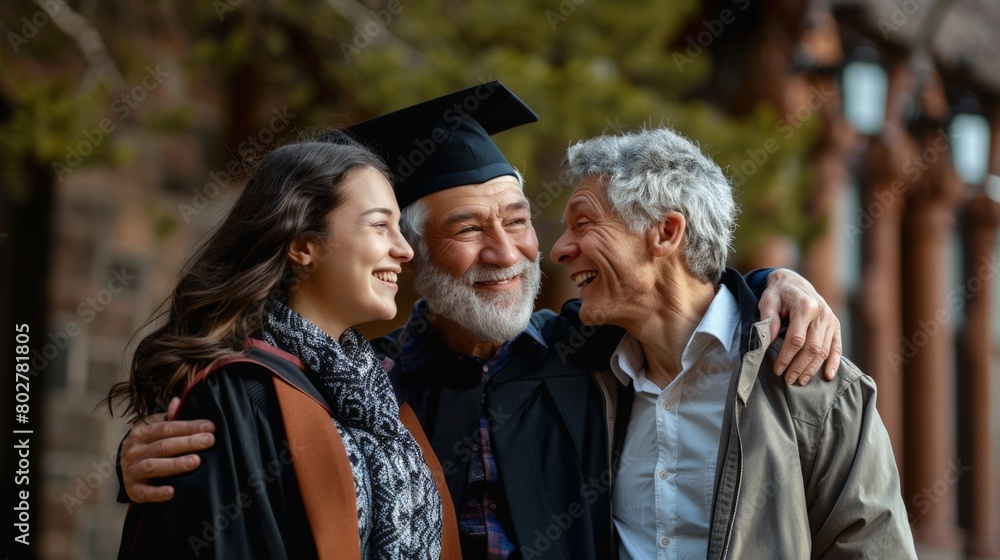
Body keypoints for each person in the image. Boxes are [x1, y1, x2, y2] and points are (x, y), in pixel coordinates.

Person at [115, 83, 844, 560]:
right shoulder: (371, 384)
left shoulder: (587, 351)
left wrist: (774, 287)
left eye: (520, 222)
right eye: (468, 229)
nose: (508, 253)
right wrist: (146, 468)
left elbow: (675, 296)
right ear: (414, 253)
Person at [550, 127, 915, 558]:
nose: (559, 249)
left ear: (666, 232)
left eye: (584, 223)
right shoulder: (578, 374)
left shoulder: (816, 388)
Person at [105, 139, 460, 559]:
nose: (404, 250)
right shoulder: (237, 392)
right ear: (303, 245)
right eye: (380, 225)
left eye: (400, 228)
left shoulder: (377, 394)